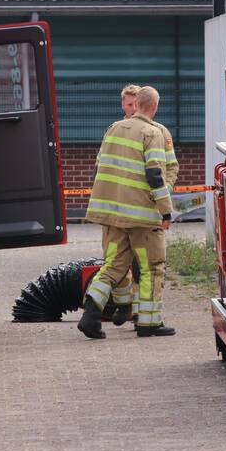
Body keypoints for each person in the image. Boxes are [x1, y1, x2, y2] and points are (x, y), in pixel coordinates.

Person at [79, 86, 175, 339]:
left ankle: (91, 313)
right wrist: (166, 211)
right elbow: (155, 174)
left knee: (114, 264)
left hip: (112, 213)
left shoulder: (113, 128)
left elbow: (101, 165)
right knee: (152, 267)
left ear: (137, 104)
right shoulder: (152, 132)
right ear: (154, 107)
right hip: (142, 216)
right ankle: (149, 323)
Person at [109, 84, 179, 327]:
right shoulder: (115, 131)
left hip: (148, 212)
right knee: (117, 263)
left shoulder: (159, 132)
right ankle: (124, 306)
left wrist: (163, 195)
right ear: (124, 105)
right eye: (127, 105)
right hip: (120, 213)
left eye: (133, 104)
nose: (131, 108)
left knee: (146, 266)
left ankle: (142, 315)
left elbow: (169, 168)